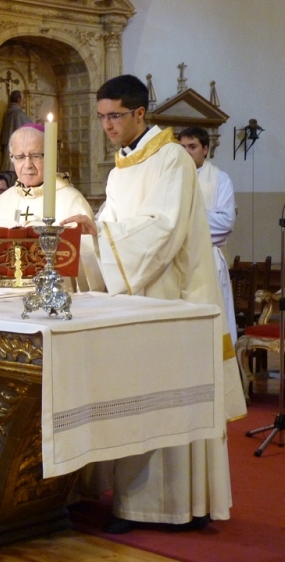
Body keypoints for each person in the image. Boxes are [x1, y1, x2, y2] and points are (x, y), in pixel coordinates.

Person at [61, 74, 247, 533]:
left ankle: (169, 507)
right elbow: (111, 225)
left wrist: (100, 235)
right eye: (101, 116)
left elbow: (162, 231)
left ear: (140, 114)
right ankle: (130, 499)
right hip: (134, 300)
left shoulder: (171, 161)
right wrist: (86, 233)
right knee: (131, 399)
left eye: (115, 116)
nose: (107, 125)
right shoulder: (122, 167)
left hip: (169, 301)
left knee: (162, 399)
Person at [0, 124, 104, 292]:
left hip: (55, 297)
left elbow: (89, 261)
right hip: (3, 298)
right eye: (20, 157)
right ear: (11, 158)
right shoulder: (5, 199)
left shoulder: (71, 199)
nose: (27, 164)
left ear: (50, 157)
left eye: (35, 156)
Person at [179, 126, 237, 346]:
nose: (186, 152)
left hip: (209, 260)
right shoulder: (171, 179)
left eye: (192, 147)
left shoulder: (220, 180)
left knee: (214, 321)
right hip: (178, 262)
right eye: (182, 147)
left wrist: (187, 219)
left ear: (205, 149)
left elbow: (225, 223)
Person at [0, 90, 32, 172]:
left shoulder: (7, 114)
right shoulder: (19, 114)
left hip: (7, 153)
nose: (24, 101)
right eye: (23, 98)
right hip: (18, 153)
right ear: (18, 99)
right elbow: (31, 130)